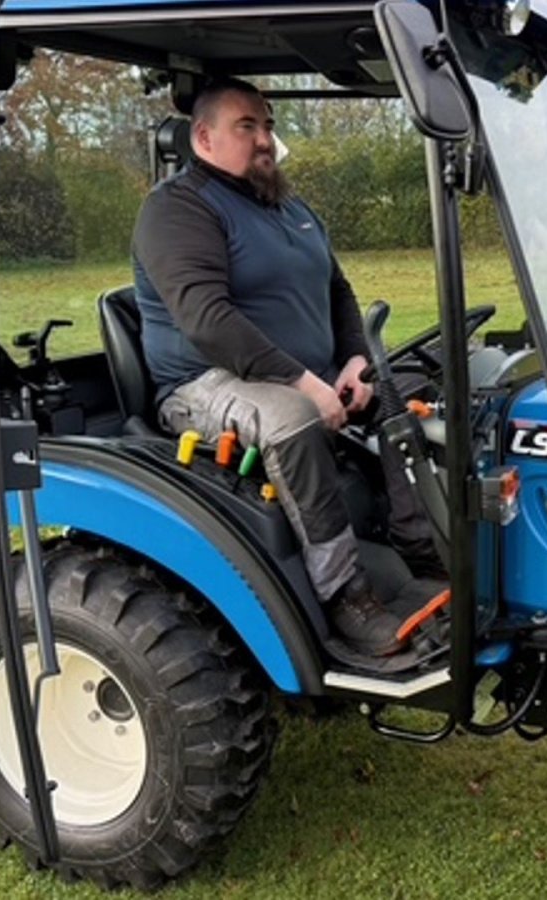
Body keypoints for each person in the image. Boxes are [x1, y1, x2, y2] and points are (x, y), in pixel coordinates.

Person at [131, 78, 443, 658]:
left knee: (415, 393)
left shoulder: (288, 207)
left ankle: (424, 547)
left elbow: (338, 292)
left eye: (268, 125)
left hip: (310, 370)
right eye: (245, 126)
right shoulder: (177, 209)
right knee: (292, 419)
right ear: (203, 136)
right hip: (202, 383)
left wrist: (355, 360)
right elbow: (208, 321)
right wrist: (306, 384)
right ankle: (345, 595)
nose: (264, 139)